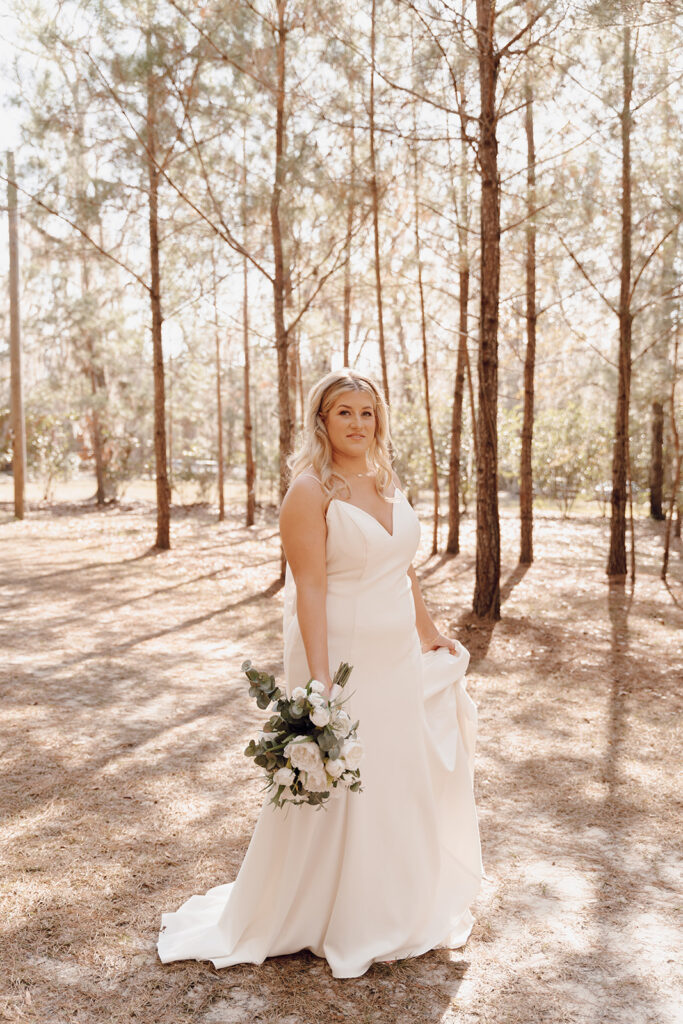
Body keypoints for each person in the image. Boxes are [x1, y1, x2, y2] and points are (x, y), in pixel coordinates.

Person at [157, 368, 482, 979]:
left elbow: (402, 570)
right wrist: (322, 680)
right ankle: (326, 911)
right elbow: (308, 588)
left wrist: (429, 633)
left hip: (397, 659)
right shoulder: (311, 491)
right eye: (344, 413)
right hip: (346, 657)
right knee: (344, 780)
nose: (358, 424)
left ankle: (396, 902)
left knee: (394, 774)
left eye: (367, 412)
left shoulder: (385, 480)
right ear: (322, 422)